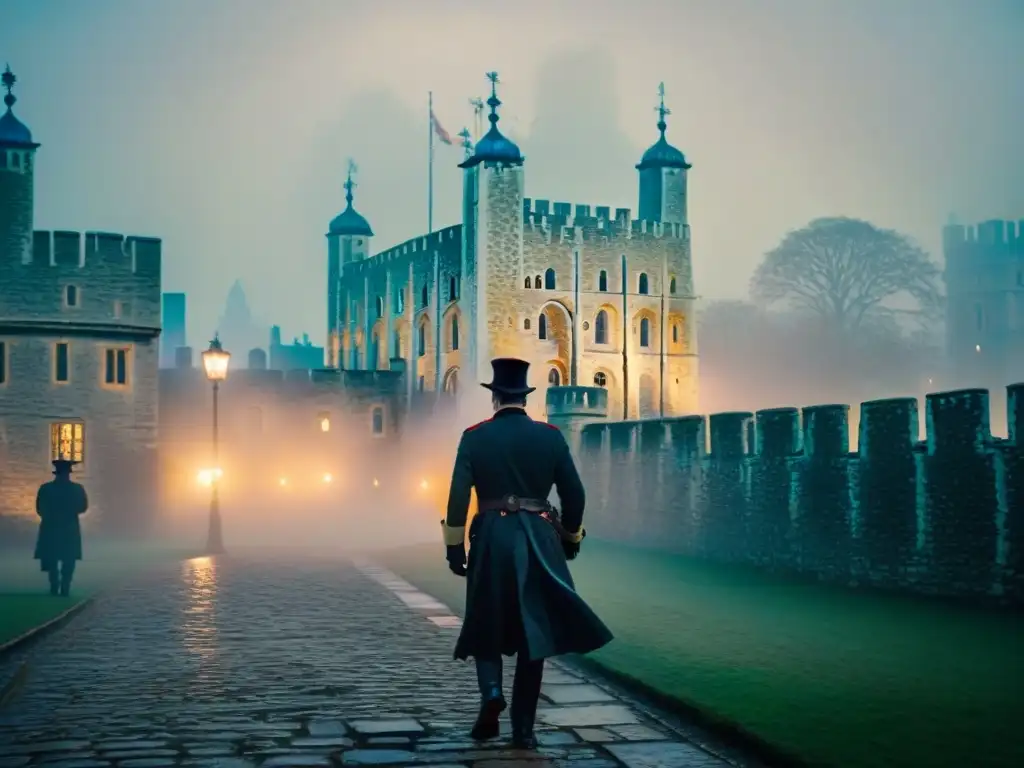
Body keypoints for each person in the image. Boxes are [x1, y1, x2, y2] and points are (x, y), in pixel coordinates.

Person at [441, 357, 613, 750]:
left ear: (495, 397)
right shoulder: (550, 436)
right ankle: (523, 730)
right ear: (524, 397)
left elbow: (456, 497)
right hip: (539, 535)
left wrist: (454, 546)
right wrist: (571, 537)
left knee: (486, 620)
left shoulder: (474, 436)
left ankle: (491, 695)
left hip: (490, 537)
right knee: (533, 631)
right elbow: (575, 494)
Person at [34, 459, 89, 597]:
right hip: (68, 526)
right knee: (67, 558)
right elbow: (83, 507)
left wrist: (51, 516)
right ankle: (63, 587)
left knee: (56, 557)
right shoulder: (77, 489)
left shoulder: (46, 488)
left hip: (52, 527)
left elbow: (40, 508)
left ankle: (58, 586)